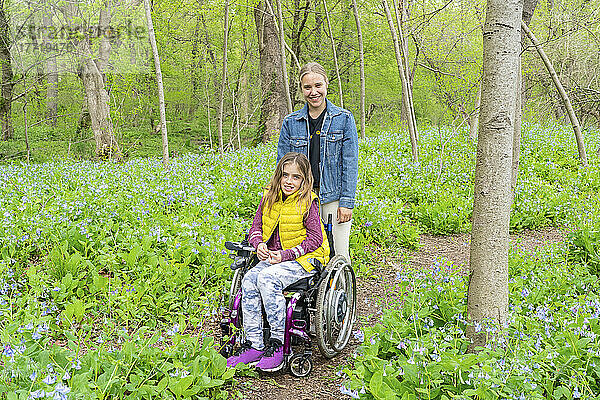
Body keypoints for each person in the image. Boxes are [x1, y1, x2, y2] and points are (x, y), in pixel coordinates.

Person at [226, 152, 330, 372]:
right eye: (285, 175)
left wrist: (286, 255)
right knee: (248, 280)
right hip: (274, 257)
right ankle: (254, 343)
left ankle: (277, 344)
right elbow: (255, 229)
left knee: (266, 278)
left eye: (295, 177)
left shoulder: (307, 202)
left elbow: (315, 239)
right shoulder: (269, 198)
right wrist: (259, 245)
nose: (289, 181)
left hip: (304, 259)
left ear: (304, 180)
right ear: (278, 176)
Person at [277, 62, 358, 262]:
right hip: (300, 198)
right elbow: (282, 165)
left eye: (318, 86)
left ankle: (341, 292)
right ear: (302, 89)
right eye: (308, 87)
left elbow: (350, 163)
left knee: (338, 254)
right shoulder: (290, 122)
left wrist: (346, 202)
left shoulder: (344, 119)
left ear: (326, 85)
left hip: (332, 199)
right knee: (303, 255)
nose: (313, 92)